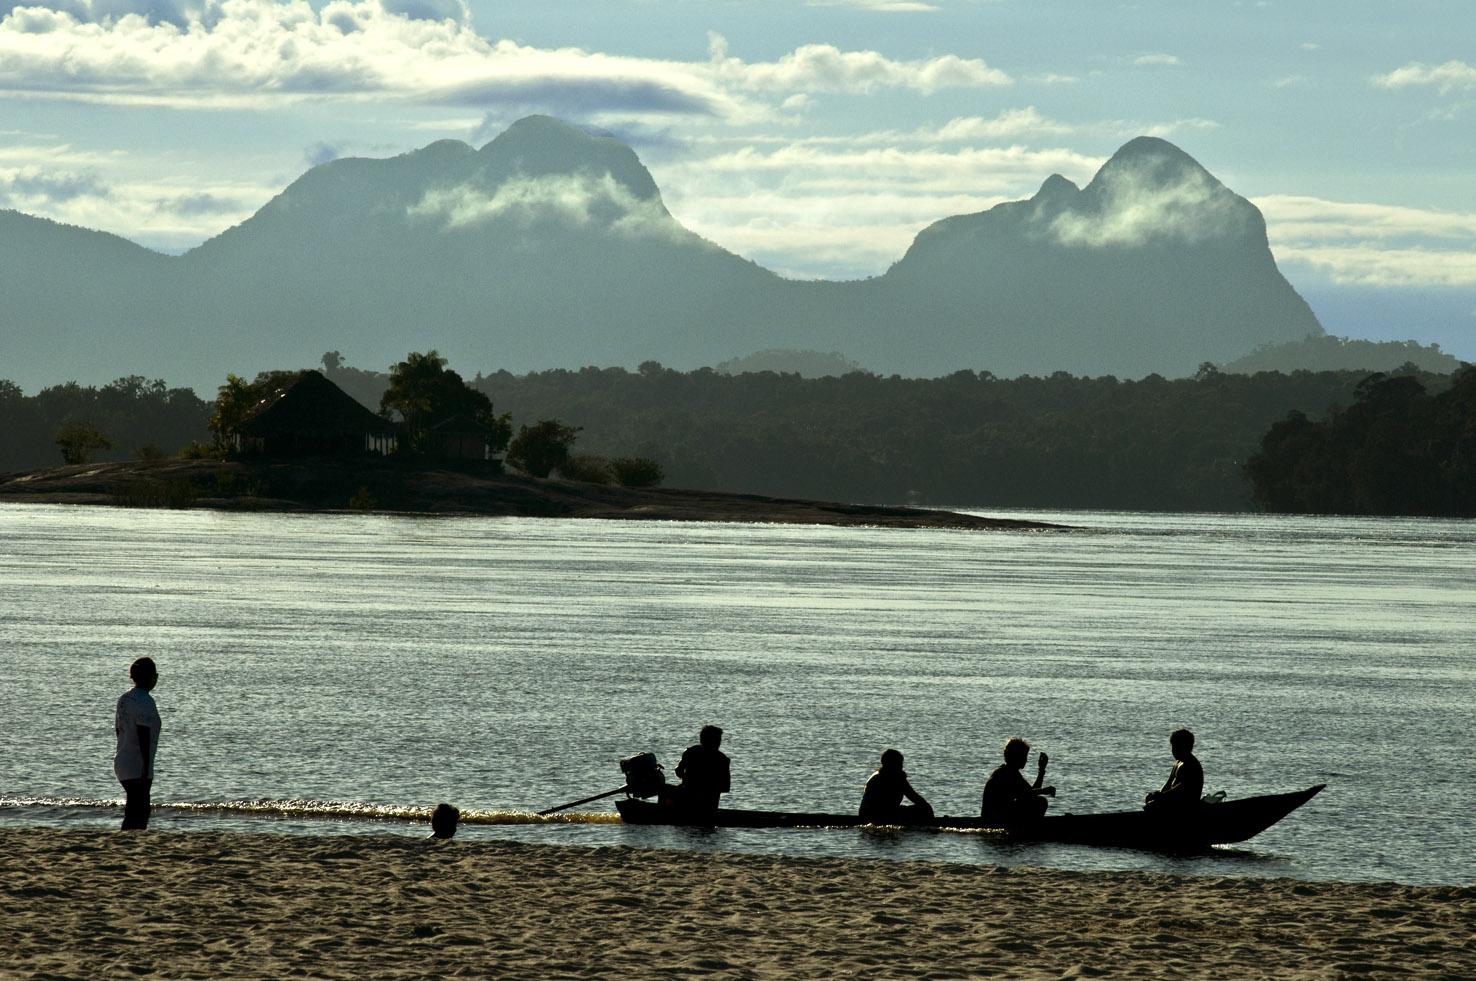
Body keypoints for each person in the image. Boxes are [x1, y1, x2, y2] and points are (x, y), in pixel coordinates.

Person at [114, 657, 161, 830]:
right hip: (137, 764)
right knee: (140, 808)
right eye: (154, 674)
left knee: (135, 806)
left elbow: (119, 730)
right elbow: (143, 734)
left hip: (122, 761)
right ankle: (130, 838)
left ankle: (128, 836)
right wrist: (146, 766)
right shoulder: (145, 701)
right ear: (149, 677)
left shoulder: (125, 699)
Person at [980, 737, 1054, 825]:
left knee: (1038, 800)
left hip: (1000, 816)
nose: (1026, 760)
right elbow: (1027, 794)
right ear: (1017, 757)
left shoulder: (1012, 772)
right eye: (1025, 756)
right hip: (993, 819)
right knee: (1041, 802)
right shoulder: (1005, 773)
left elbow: (1030, 793)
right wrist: (1044, 791)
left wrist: (1041, 770)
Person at [858, 749, 933, 823]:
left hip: (869, 814)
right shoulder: (895, 778)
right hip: (879, 815)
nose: (901, 766)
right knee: (923, 809)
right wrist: (927, 808)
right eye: (899, 763)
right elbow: (914, 797)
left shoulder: (880, 776)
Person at [674, 725, 730, 817]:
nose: (718, 743)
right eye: (717, 740)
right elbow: (725, 787)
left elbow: (678, 771)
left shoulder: (690, 752)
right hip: (709, 806)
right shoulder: (723, 759)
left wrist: (687, 779)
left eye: (718, 740)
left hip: (697, 802)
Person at [1144, 728, 1203, 812]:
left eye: (1177, 747)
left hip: (1186, 805)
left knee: (1152, 806)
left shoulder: (1191, 765)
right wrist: (1158, 794)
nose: (1174, 751)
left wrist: (1161, 797)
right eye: (1173, 747)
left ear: (1187, 747)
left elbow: (1182, 789)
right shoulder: (1177, 762)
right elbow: (1168, 783)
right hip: (1172, 800)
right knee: (1150, 799)